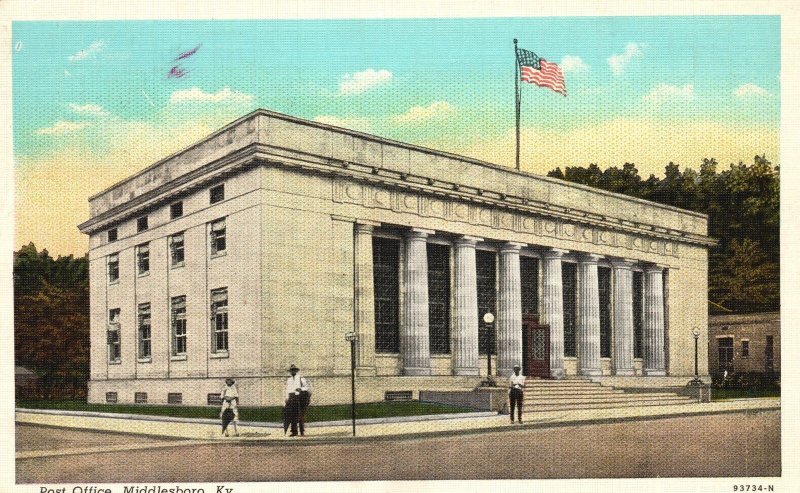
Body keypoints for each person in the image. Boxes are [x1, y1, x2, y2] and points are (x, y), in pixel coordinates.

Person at [285, 364, 311, 437]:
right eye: (291, 370)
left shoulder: (301, 378)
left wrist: (301, 389)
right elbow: (287, 390)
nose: (293, 372)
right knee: (292, 415)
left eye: (294, 370)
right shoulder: (289, 379)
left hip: (299, 397)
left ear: (296, 370)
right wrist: (287, 398)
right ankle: (294, 431)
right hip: (291, 397)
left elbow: (307, 387)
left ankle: (302, 431)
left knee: (300, 414)